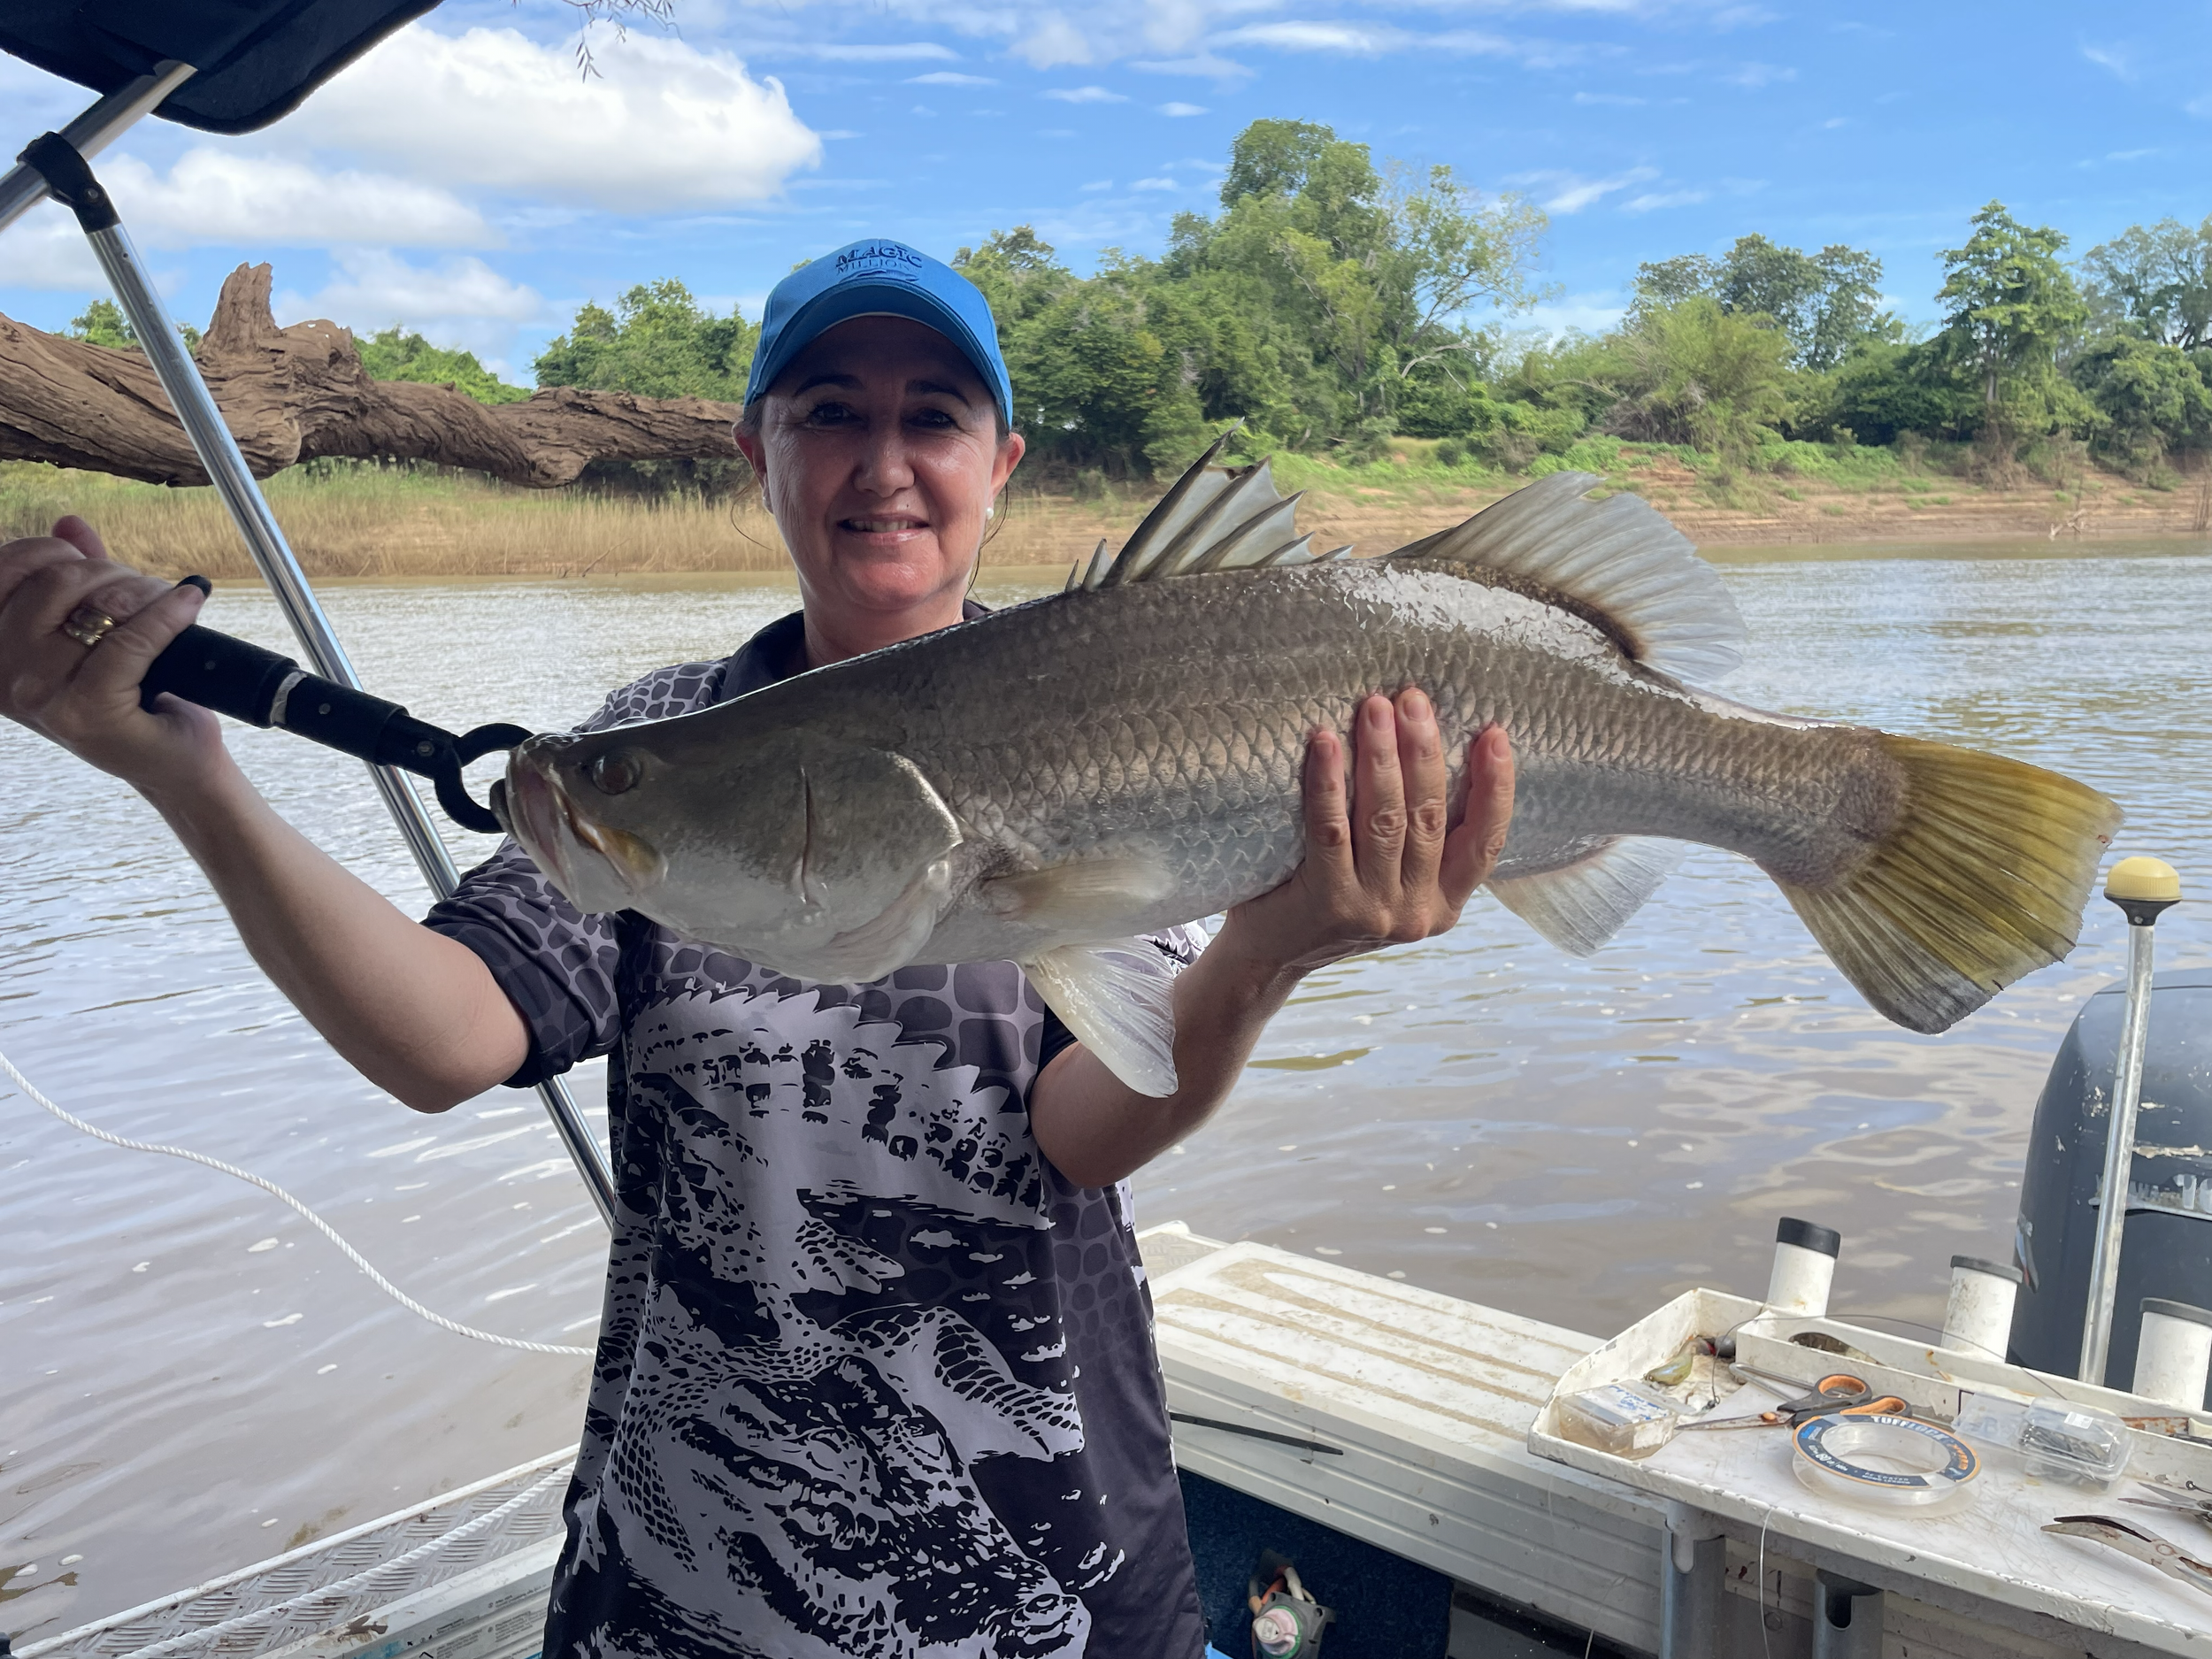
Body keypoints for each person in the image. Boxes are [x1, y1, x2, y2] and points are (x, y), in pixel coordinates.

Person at [0, 237, 1514, 1658]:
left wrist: (1270, 949)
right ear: (757, 454)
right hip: (691, 1568)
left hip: (1051, 1561)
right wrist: (189, 773)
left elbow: (1080, 1133)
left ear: (1004, 463)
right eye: (827, 411)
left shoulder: (1127, 692)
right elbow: (439, 1035)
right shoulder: (652, 750)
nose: (883, 461)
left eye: (933, 414)